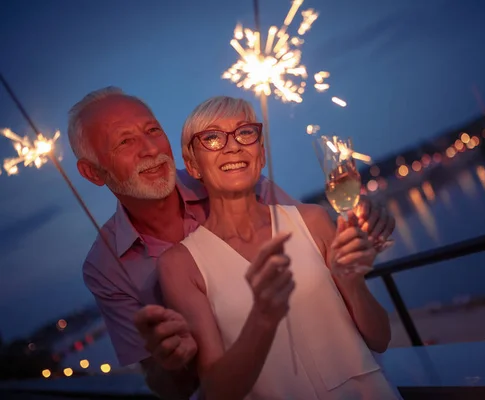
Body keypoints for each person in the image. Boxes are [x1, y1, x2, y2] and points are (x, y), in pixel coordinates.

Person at [68, 88, 396, 399]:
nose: (151, 149)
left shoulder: (251, 184)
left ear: (262, 151)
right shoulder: (111, 268)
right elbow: (173, 386)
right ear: (93, 173)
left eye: (153, 130)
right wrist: (172, 361)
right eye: (125, 141)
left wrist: (361, 236)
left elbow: (324, 258)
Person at [157, 96, 400, 399]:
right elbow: (218, 390)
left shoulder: (313, 220)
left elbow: (380, 338)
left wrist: (352, 284)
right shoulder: (180, 265)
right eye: (212, 138)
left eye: (245, 132)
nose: (233, 145)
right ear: (193, 164)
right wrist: (263, 317)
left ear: (261, 152)